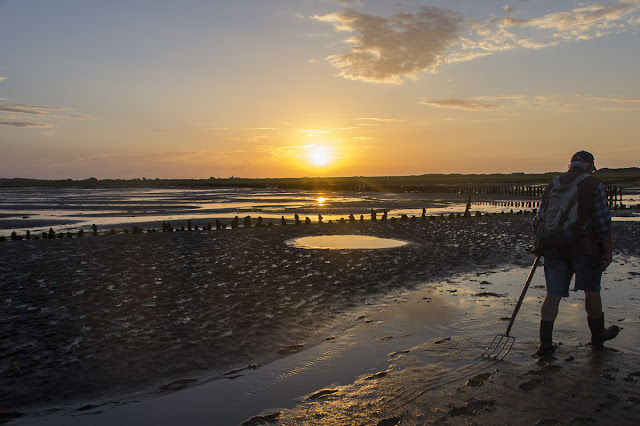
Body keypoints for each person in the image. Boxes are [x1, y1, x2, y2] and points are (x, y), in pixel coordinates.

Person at [533, 150, 619, 356]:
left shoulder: (553, 184)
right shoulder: (594, 185)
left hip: (553, 247)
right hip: (585, 248)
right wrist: (607, 250)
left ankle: (545, 343)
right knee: (592, 290)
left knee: (552, 295)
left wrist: (538, 242)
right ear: (590, 167)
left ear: (570, 165)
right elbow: (602, 221)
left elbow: (539, 218)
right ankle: (598, 335)